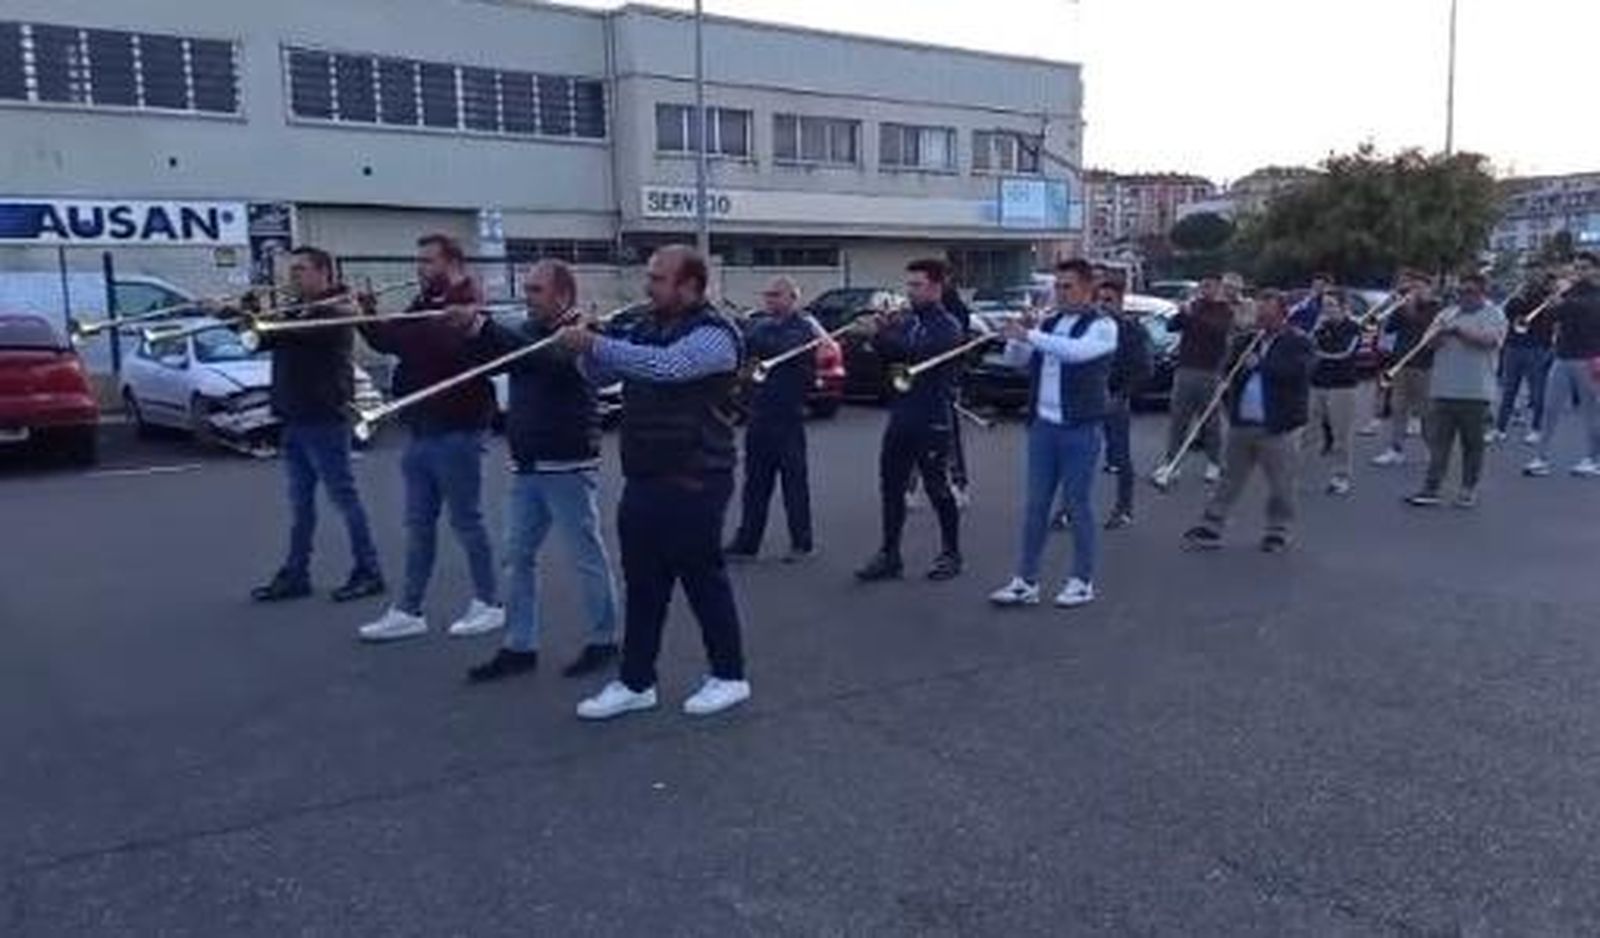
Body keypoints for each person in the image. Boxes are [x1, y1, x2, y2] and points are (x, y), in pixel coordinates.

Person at [556, 245, 751, 720]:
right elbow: (600, 376)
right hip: (645, 476)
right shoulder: (644, 325)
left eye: (659, 279)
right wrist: (586, 346)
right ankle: (636, 681)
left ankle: (729, 675)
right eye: (650, 277)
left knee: (703, 581)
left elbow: (668, 368)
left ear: (690, 286)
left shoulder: (715, 335)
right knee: (643, 586)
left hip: (697, 479)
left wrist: (598, 344)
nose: (648, 287)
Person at [452, 259, 620, 683]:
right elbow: (495, 362)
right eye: (526, 289)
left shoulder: (580, 332)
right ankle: (519, 645)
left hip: (566, 460)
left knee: (585, 555)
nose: (527, 297)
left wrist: (486, 329)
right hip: (527, 461)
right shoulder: (527, 330)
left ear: (563, 295)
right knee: (516, 555)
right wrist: (472, 331)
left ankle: (605, 639)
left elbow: (548, 360)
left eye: (535, 290)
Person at [355, 234, 501, 642]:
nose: (419, 268)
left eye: (427, 261)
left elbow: (443, 346)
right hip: (421, 427)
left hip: (458, 426)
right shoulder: (424, 302)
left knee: (467, 521)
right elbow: (391, 342)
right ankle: (408, 609)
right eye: (418, 260)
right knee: (418, 525)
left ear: (451, 263)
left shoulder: (465, 299)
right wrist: (365, 315)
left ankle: (489, 602)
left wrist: (407, 328)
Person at [249, 247, 385, 604]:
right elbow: (263, 339)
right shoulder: (295, 308)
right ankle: (296, 573)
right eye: (291, 270)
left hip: (324, 417)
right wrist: (244, 315)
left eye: (300, 269)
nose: (293, 276)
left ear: (323, 272)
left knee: (343, 498)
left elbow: (294, 333)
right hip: (294, 416)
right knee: (301, 505)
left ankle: (368, 570)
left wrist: (259, 316)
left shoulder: (334, 309)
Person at [988, 259, 1119, 609]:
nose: (1059, 293)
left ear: (1088, 289)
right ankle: (1026, 581)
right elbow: (1016, 360)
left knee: (1078, 506)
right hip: (1044, 427)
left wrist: (1029, 334)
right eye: (1057, 286)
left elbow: (1076, 354)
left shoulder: (1103, 326)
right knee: (1035, 507)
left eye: (1067, 286)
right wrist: (1017, 336)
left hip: (1081, 428)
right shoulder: (1051, 322)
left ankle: (1082, 580)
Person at [854, 259, 966, 583]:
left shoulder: (947, 325)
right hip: (902, 413)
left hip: (931, 416)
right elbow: (890, 356)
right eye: (909, 285)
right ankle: (890, 554)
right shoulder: (907, 321)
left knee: (937, 487)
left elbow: (917, 352)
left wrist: (884, 334)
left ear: (935, 287)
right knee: (891, 486)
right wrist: (882, 333)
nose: (910, 292)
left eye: (917, 286)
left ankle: (951, 552)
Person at [1182, 291, 1314, 552]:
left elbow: (1299, 372)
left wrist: (1262, 365)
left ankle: (1278, 531)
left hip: (1278, 426)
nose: (1262, 319)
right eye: (1259, 314)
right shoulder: (1246, 341)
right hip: (1243, 422)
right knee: (1229, 477)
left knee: (1281, 482)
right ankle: (1212, 525)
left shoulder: (1298, 342)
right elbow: (1228, 369)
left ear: (1282, 315)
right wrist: (1227, 379)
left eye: (1268, 314)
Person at [725, 276, 819, 563]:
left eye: (776, 295)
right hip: (760, 414)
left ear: (793, 297)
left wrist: (753, 338)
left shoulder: (802, 328)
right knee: (755, 484)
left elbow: (776, 347)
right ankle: (748, 540)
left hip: (788, 416)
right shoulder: (762, 325)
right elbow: (745, 344)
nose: (770, 300)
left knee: (794, 484)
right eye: (767, 295)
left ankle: (801, 543)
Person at [1404, 272, 1507, 507]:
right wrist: (1438, 335)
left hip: (1475, 390)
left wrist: (1459, 331)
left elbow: (1490, 340)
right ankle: (1431, 488)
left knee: (1473, 444)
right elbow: (1427, 343)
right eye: (1460, 292)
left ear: (1482, 293)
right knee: (1438, 442)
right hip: (1443, 388)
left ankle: (1468, 489)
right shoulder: (1447, 313)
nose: (1463, 297)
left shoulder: (1494, 313)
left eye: (1469, 292)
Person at [1525, 252, 1600, 478]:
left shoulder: (1595, 294)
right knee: (1550, 409)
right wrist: (1549, 305)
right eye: (1577, 268)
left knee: (1592, 412)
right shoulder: (1567, 293)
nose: (1580, 272)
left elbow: (1589, 311)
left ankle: (1593, 459)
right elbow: (1550, 320)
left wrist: (1563, 303)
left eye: (1585, 268)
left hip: (1590, 358)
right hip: (1563, 356)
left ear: (1596, 270)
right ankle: (1541, 458)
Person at [1157, 275, 1233, 486]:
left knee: (1210, 420)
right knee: (1178, 418)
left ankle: (1215, 463)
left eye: (1209, 286)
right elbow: (1171, 326)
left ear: (1218, 288)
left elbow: (1216, 331)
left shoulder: (1223, 310)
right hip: (1185, 369)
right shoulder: (1194, 306)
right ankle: (1172, 462)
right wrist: (1182, 313)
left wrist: (1192, 316)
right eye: (1202, 286)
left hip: (1209, 371)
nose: (1204, 290)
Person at [1097, 275, 1151, 528]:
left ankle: (1124, 508)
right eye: (1099, 300)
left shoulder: (1132, 330)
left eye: (1108, 300)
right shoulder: (1091, 328)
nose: (1103, 305)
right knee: (1077, 455)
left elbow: (1144, 368)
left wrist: (1122, 395)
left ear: (1119, 302)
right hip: (1087, 399)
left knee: (1121, 457)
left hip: (1116, 399)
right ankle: (1069, 508)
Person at [1372, 271, 1440, 466]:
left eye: (1419, 287)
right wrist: (1394, 307)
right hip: (1400, 363)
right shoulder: (1403, 307)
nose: (1414, 291)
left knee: (1426, 410)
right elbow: (1390, 328)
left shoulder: (1435, 308)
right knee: (1398, 408)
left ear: (1429, 288)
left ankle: (1431, 449)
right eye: (1412, 288)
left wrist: (1410, 309)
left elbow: (1426, 328)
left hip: (1424, 365)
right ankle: (1395, 449)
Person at [1492, 271, 1557, 446]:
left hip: (1537, 348)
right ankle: (1500, 429)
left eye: (1535, 277)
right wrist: (1517, 297)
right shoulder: (1517, 297)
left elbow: (1549, 320)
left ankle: (1536, 429)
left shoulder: (1548, 299)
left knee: (1537, 392)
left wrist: (1544, 303)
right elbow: (1508, 313)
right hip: (1514, 346)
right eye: (1529, 279)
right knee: (1508, 390)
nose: (1531, 281)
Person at [1309, 291, 1363, 495]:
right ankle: (1289, 472)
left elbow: (1342, 353)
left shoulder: (1354, 328)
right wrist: (1316, 331)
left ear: (1343, 307)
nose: (1327, 310)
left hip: (1342, 386)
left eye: (1331, 305)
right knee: (1307, 430)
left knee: (1341, 434)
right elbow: (1307, 346)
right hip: (1317, 384)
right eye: (1324, 305)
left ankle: (1341, 476)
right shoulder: (1321, 327)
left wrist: (1318, 351)